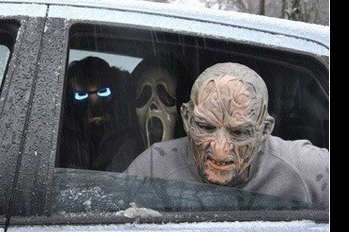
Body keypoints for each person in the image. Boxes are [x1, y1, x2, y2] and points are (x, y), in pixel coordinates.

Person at [126, 62, 329, 206]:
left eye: (238, 132)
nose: (220, 149)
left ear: (264, 130)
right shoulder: (154, 167)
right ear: (187, 119)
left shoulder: (304, 167)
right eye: (206, 127)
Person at [58, 56, 136, 172]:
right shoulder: (60, 138)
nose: (94, 103)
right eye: (82, 95)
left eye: (103, 92)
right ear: (70, 100)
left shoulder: (129, 138)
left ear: (115, 94)